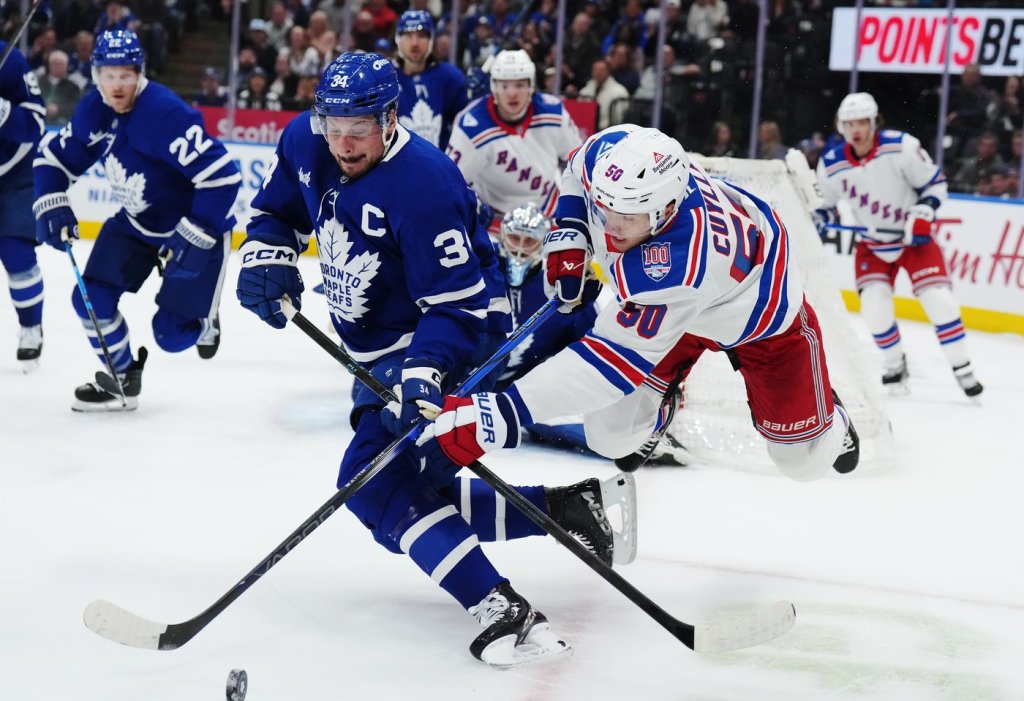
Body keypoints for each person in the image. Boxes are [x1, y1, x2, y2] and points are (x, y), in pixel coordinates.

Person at [236, 52, 635, 669]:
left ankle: (502, 609)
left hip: (452, 340)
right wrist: (267, 253)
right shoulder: (304, 141)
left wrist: (424, 371)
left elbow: (456, 306)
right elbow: (276, 213)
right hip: (375, 348)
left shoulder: (426, 185)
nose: (343, 143)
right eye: (333, 127)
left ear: (390, 118)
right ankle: (570, 511)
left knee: (373, 483)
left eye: (359, 128)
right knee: (412, 494)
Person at [425, 124, 861, 483]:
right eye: (606, 209)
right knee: (609, 438)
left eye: (628, 216)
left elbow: (608, 362)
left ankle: (830, 417)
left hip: (757, 320)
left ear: (666, 210)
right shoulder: (616, 155)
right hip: (677, 312)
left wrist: (503, 411)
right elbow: (577, 167)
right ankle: (663, 406)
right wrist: (572, 231)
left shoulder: (680, 264)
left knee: (801, 463)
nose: (611, 227)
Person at [33, 29, 241, 411]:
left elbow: (222, 177)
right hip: (136, 224)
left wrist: (195, 233)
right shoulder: (94, 109)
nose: (117, 85)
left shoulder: (164, 113)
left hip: (193, 231)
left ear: (140, 72)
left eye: (126, 75)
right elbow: (55, 158)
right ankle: (122, 379)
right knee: (90, 299)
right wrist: (51, 199)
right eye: (109, 75)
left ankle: (204, 320)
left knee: (171, 336)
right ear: (95, 74)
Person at [814, 92, 983, 398]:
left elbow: (935, 185)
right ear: (841, 126)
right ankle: (894, 364)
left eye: (861, 122)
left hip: (913, 241)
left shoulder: (901, 147)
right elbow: (826, 205)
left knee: (939, 301)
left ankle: (963, 368)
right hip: (872, 244)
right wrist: (819, 218)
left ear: (873, 122)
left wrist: (923, 212)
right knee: (873, 306)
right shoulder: (831, 164)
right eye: (849, 123)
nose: (856, 130)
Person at [446, 49, 581, 236]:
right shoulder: (472, 126)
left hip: (548, 212)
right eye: (504, 86)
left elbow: (578, 161)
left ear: (531, 85)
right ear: (494, 87)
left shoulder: (554, 113)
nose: (512, 93)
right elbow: (451, 181)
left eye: (519, 85)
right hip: (496, 222)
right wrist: (476, 208)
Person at [1, 40, 47, 371]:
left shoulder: (10, 60)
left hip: (15, 175)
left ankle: (31, 327)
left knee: (16, 253)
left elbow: (35, 124)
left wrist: (2, 111)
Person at [393, 10, 466, 150]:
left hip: (440, 160)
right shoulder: (384, 78)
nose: (415, 43)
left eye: (421, 36)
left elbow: (465, 126)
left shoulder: (450, 77)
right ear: (397, 39)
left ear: (432, 39)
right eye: (408, 35)